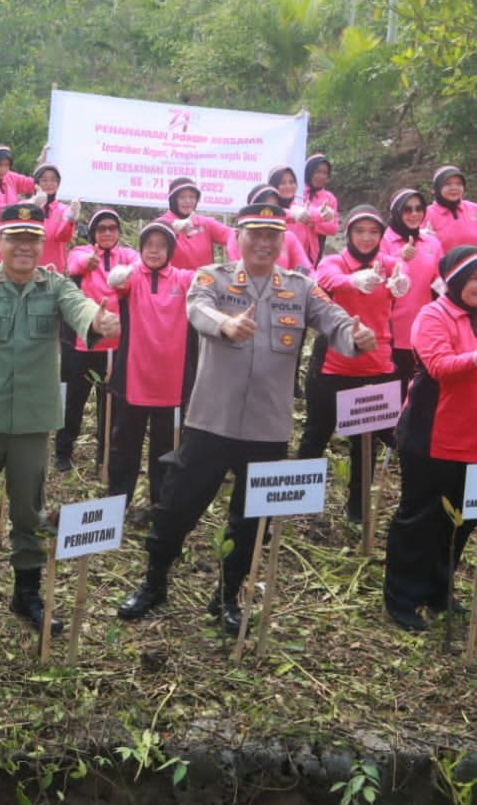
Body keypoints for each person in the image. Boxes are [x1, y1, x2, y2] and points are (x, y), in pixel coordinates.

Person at [117, 202, 376, 634]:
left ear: (281, 242)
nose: (263, 242)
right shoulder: (211, 278)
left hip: (266, 428)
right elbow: (196, 310)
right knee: (176, 508)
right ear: (238, 237)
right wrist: (224, 324)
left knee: (251, 520)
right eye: (255, 233)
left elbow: (334, 321)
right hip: (210, 423)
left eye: (272, 235)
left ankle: (227, 596)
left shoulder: (300, 287)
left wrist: (355, 336)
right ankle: (154, 582)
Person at [0, 204, 119, 633]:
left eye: (32, 239)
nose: (23, 246)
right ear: (0, 242)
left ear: (42, 244)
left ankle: (27, 595)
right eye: (15, 238)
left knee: (30, 511)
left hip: (33, 423)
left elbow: (80, 308)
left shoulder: (55, 285)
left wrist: (98, 318)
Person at [382, 245, 477, 631]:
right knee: (420, 516)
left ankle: (439, 589)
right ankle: (402, 597)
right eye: (473, 279)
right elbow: (438, 365)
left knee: (462, 519)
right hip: (432, 434)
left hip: (473, 438)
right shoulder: (433, 314)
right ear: (455, 281)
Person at [296, 206, 400, 522]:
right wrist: (353, 280)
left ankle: (357, 509)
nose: (366, 238)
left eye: (373, 232)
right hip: (332, 364)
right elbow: (322, 278)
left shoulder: (390, 264)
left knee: (365, 442)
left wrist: (401, 282)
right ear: (349, 235)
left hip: (376, 366)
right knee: (317, 431)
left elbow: (402, 275)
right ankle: (301, 500)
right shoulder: (334, 262)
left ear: (381, 236)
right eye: (359, 231)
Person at [103, 222, 195, 516]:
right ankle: (117, 505)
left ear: (171, 251)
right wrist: (122, 273)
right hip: (135, 377)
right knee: (123, 447)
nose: (154, 251)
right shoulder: (134, 277)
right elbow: (118, 282)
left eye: (161, 245)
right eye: (148, 245)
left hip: (171, 381)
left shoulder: (182, 278)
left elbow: (207, 280)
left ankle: (160, 505)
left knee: (165, 450)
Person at [55, 208, 138, 473]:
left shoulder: (126, 255)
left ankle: (104, 457)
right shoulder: (82, 251)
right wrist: (87, 263)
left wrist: (126, 273)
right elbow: (75, 264)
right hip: (84, 343)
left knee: (110, 405)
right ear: (93, 233)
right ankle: (63, 451)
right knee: (74, 400)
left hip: (116, 343)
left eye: (112, 228)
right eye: (101, 229)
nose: (107, 233)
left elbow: (138, 266)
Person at [380, 189, 443, 385]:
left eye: (419, 209)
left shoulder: (431, 241)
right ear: (396, 212)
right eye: (407, 209)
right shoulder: (383, 239)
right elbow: (376, 276)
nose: (414, 214)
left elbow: (440, 282)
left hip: (424, 328)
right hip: (390, 330)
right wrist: (400, 258)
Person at [155, 177, 233, 270]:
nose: (188, 201)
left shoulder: (205, 223)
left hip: (204, 282)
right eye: (182, 197)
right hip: (173, 283)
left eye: (192, 196)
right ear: (173, 200)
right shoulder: (161, 225)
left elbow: (234, 235)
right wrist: (174, 231)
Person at [229, 186, 310, 272]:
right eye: (255, 235)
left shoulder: (289, 237)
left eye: (275, 205)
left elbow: (307, 270)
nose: (264, 243)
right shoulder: (238, 237)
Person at [292, 154, 340, 265]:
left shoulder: (329, 198)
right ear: (308, 172)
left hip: (315, 248)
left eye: (325, 173)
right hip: (293, 244)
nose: (321, 176)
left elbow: (333, 228)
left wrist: (313, 224)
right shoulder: (296, 192)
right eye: (317, 171)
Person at [32, 164, 78, 272]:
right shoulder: (25, 205)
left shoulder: (63, 209)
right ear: (36, 183)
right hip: (28, 267)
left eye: (53, 180)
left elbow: (62, 237)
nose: (49, 184)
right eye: (44, 180)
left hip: (54, 270)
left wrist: (70, 219)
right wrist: (34, 207)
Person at [427, 165, 477, 250]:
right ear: (437, 188)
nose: (454, 188)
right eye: (447, 184)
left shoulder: (474, 208)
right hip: (443, 263)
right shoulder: (425, 214)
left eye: (459, 184)